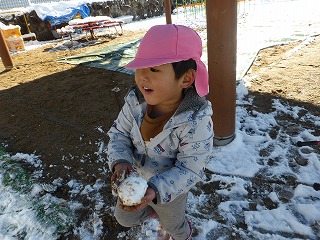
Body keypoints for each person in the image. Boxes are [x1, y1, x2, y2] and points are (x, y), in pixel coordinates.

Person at [107, 24, 214, 240]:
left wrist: (156, 190)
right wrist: (121, 162)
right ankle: (155, 210)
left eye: (154, 69)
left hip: (170, 189)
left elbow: (191, 168)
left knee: (174, 225)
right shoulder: (135, 101)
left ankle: (180, 232)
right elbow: (119, 134)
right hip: (136, 179)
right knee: (124, 218)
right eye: (140, 68)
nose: (142, 77)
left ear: (185, 78)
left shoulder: (194, 119)